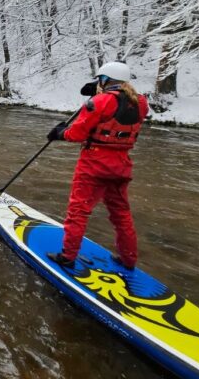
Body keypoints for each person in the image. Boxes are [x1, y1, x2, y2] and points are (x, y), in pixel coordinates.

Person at [45, 61, 149, 270]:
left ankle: (67, 256)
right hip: (121, 165)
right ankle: (128, 259)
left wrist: (59, 133)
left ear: (104, 80)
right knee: (121, 214)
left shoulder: (98, 102)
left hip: (94, 165)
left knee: (78, 211)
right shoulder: (141, 103)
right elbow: (120, 107)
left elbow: (77, 134)